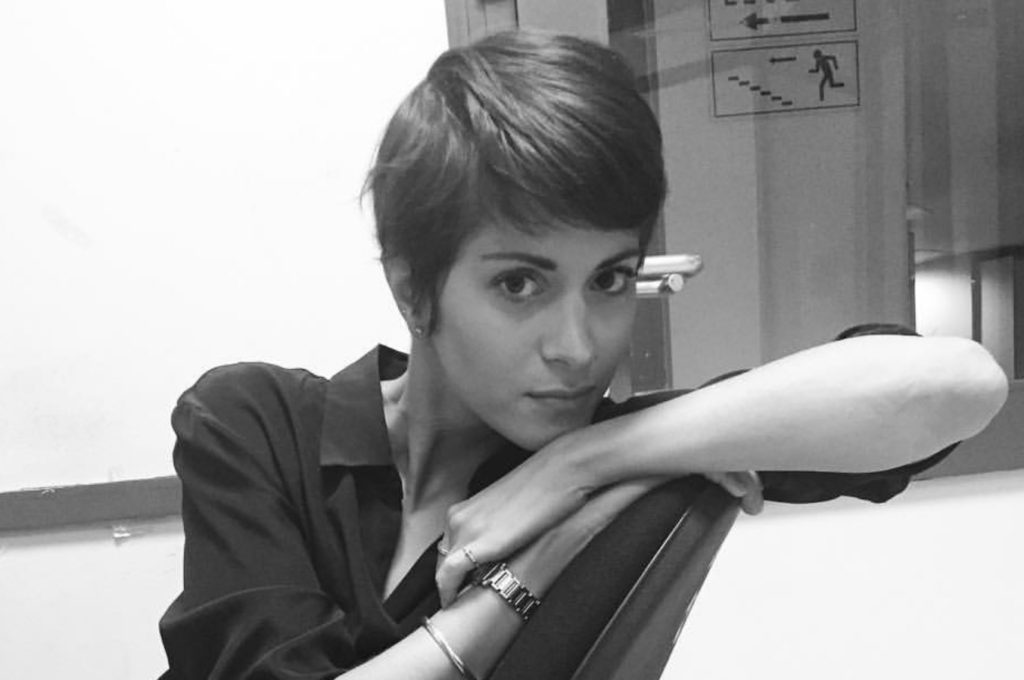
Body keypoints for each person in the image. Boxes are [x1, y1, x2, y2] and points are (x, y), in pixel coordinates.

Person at [157, 30, 1008, 680]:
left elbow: (959, 385)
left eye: (610, 279)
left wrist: (580, 465)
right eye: (519, 283)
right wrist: (516, 586)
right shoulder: (257, 424)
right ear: (413, 287)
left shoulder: (628, 452)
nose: (579, 346)